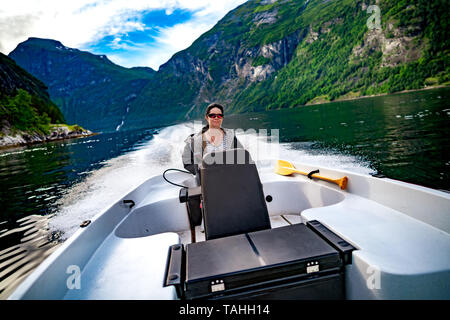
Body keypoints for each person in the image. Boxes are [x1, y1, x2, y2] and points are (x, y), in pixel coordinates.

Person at [182, 103, 244, 175]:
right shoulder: (193, 140)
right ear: (207, 117)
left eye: (219, 115)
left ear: (222, 118)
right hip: (207, 181)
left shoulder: (231, 137)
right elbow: (187, 162)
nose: (216, 117)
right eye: (212, 115)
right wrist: (201, 170)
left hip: (230, 177)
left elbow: (242, 156)